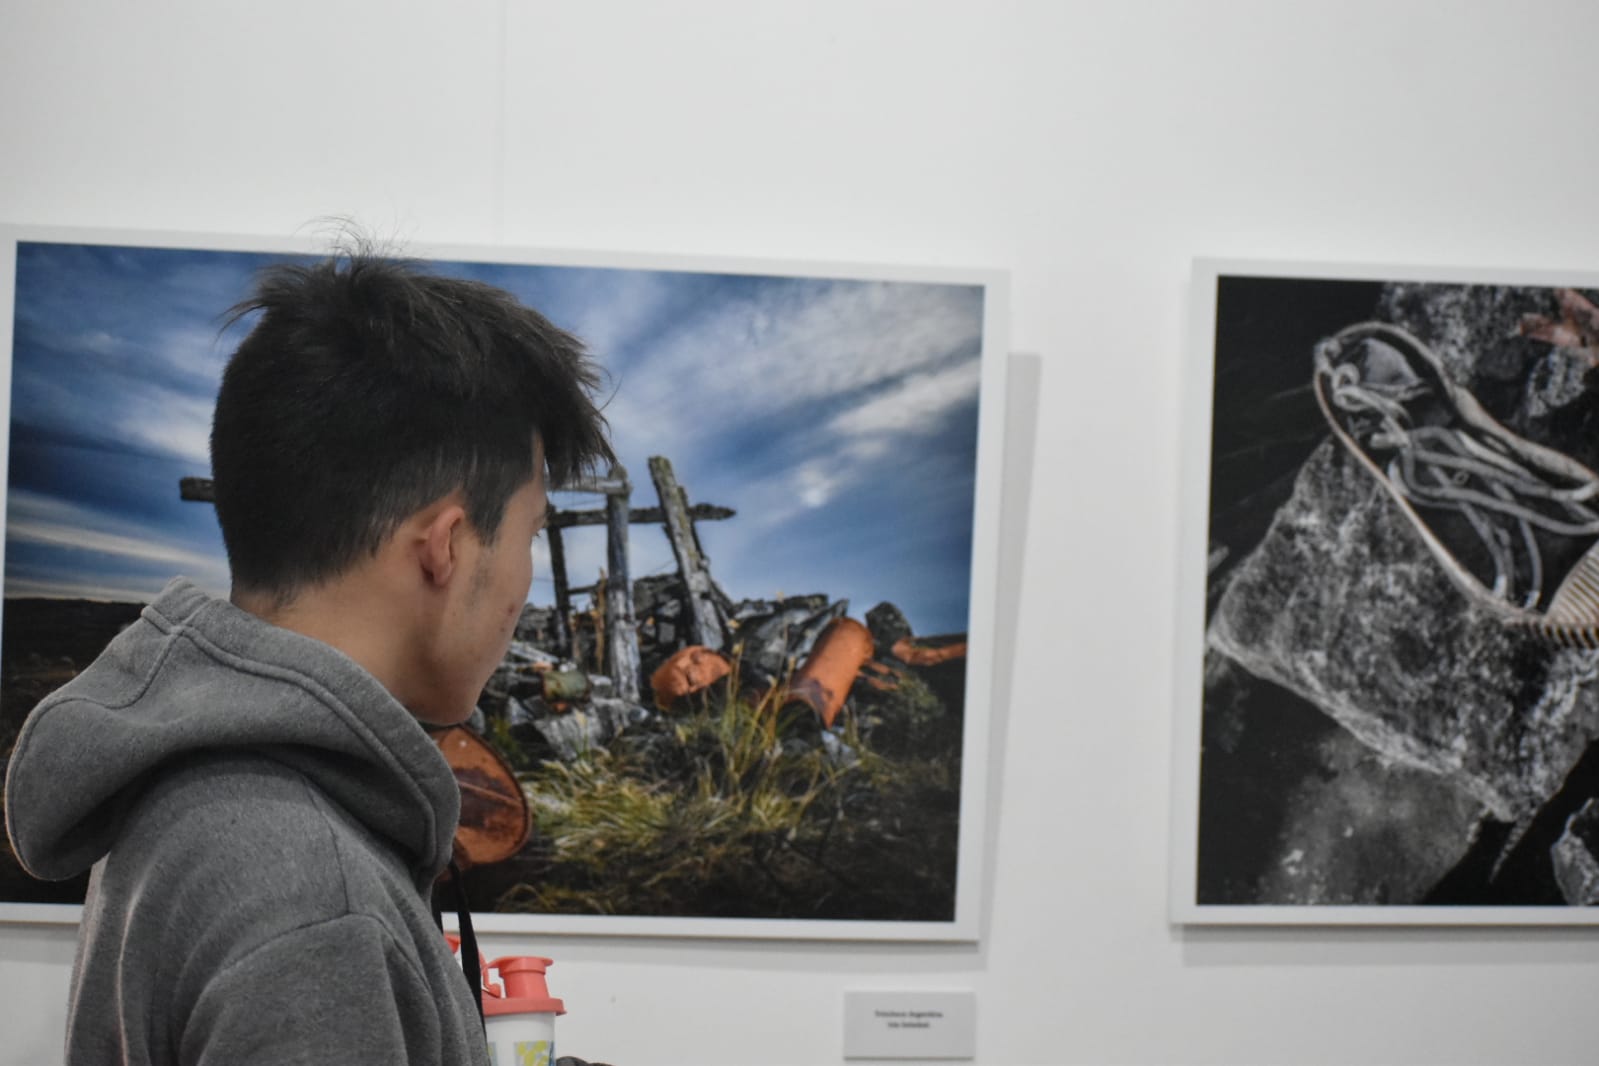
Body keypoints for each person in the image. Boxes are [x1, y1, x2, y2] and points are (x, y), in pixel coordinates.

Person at [4, 246, 614, 1064]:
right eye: (530, 533)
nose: (524, 585)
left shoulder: (211, 792)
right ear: (446, 546)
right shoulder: (311, 897)